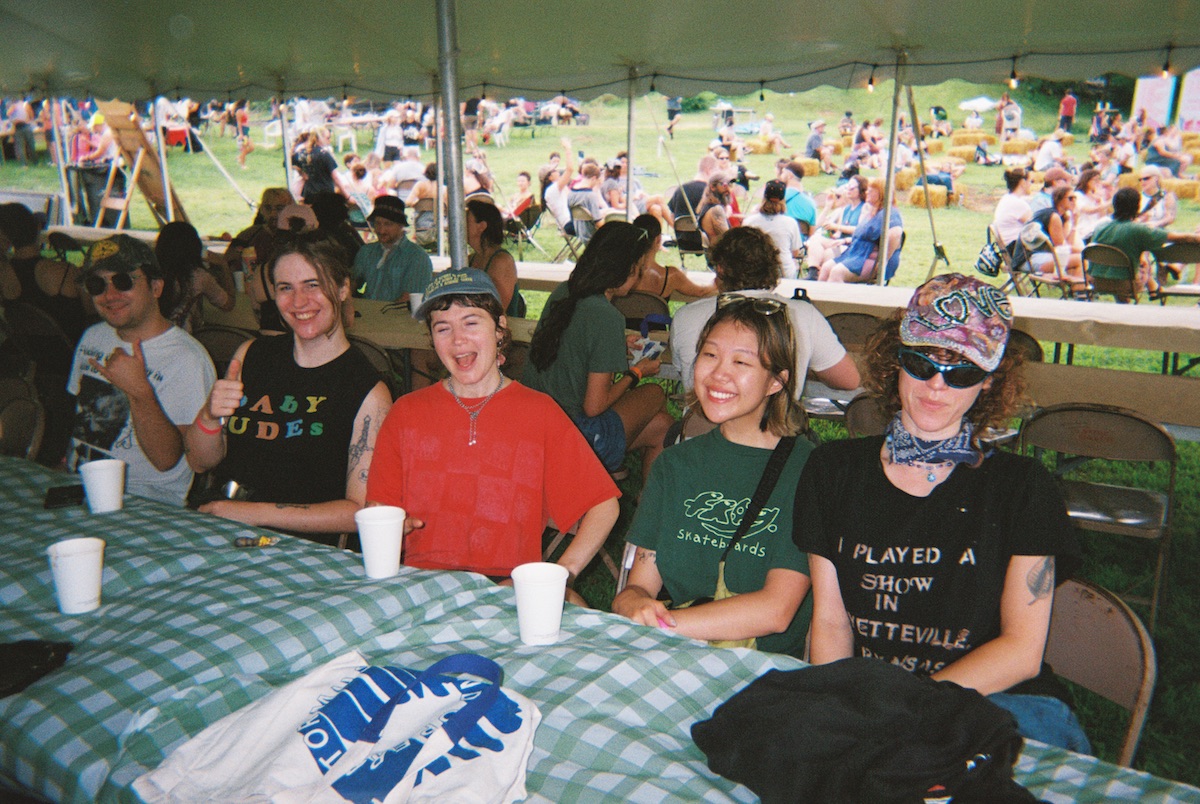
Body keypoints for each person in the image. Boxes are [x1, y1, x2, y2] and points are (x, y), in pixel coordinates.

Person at [794, 273, 1090, 753]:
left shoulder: (1022, 488)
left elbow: (1020, 652)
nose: (936, 385)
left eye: (963, 371)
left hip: (1001, 705)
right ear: (896, 363)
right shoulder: (832, 471)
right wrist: (846, 709)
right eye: (920, 361)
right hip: (877, 703)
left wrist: (905, 709)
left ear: (989, 382)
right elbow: (830, 623)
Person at [366, 269, 620, 600]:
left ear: (500, 328)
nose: (458, 339)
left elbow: (604, 505)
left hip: (506, 587)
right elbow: (378, 511)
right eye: (443, 328)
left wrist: (559, 574)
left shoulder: (538, 412)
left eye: (471, 322)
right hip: (420, 583)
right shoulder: (406, 413)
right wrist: (391, 531)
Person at [612, 296, 814, 657]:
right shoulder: (674, 465)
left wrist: (664, 625)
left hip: (761, 672)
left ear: (776, 382)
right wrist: (632, 604)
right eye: (710, 355)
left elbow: (777, 610)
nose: (719, 374)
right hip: (680, 657)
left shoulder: (808, 471)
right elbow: (638, 586)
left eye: (741, 362)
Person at [184, 237, 392, 545]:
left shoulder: (367, 390)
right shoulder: (250, 355)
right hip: (220, 530)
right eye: (285, 288)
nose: (298, 301)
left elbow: (359, 511)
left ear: (343, 288)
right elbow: (200, 462)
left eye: (313, 284)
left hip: (297, 549)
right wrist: (209, 415)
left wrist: (251, 514)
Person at [67, 235, 216, 506]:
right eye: (97, 284)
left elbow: (167, 461)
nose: (110, 295)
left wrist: (140, 391)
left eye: (123, 281)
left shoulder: (186, 359)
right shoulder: (93, 337)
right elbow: (80, 425)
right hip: (79, 487)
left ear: (156, 287)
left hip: (143, 501)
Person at [524, 222, 673, 478]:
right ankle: (599, 475)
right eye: (639, 268)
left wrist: (613, 344)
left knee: (663, 426)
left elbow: (572, 341)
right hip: (573, 435)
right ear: (624, 269)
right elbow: (594, 406)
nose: (640, 275)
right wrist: (637, 371)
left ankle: (643, 507)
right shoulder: (606, 316)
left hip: (536, 425)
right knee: (654, 393)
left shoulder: (565, 291)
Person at [673, 227, 859, 401]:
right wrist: (802, 361)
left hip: (698, 430)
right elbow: (849, 380)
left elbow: (685, 374)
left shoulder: (686, 316)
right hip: (775, 430)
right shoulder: (803, 315)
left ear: (720, 268)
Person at [0, 202, 89, 343]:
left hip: (30, 354)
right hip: (71, 354)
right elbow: (92, 312)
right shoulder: (65, 272)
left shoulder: (3, 274)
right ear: (37, 228)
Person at [1090, 187, 1200, 300]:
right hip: (1127, 283)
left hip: (1097, 281)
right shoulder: (1139, 230)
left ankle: (1151, 291)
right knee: (1138, 264)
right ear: (1138, 207)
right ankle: (1154, 290)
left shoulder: (1100, 227)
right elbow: (1180, 238)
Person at [155, 220, 235, 333]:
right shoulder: (198, 276)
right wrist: (223, 265)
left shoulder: (151, 273)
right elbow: (228, 304)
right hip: (182, 339)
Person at [819, 178, 904, 284]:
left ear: (881, 193)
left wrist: (883, 261)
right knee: (826, 268)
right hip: (857, 254)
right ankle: (821, 299)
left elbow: (896, 234)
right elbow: (866, 235)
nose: (867, 192)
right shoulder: (872, 212)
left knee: (837, 272)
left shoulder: (889, 213)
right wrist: (847, 240)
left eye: (871, 190)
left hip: (871, 259)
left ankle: (838, 300)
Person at [351, 196, 433, 303]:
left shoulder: (417, 257)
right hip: (367, 314)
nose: (381, 230)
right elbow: (352, 283)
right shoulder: (366, 251)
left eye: (387, 224)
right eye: (377, 223)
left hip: (398, 317)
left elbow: (409, 298)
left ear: (401, 225)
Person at [630, 214, 717, 300]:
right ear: (658, 239)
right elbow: (701, 291)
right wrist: (717, 281)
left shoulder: (623, 273)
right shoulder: (671, 275)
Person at [466, 197, 525, 317]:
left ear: (481, 226)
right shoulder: (470, 259)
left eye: (465, 222)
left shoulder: (501, 262)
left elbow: (497, 310)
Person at [805, 175, 868, 272]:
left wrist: (836, 226)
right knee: (815, 239)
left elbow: (859, 230)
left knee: (826, 255)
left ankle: (818, 278)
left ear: (861, 190)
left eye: (852, 187)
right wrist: (828, 207)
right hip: (839, 242)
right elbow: (837, 232)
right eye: (847, 187)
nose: (848, 190)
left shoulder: (864, 208)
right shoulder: (846, 209)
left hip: (851, 246)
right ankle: (812, 272)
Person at [742, 180, 803, 279]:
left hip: (756, 273)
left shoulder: (749, 221)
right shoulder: (791, 223)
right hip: (784, 273)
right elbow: (795, 252)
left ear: (764, 198)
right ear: (783, 200)